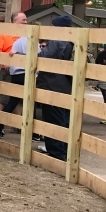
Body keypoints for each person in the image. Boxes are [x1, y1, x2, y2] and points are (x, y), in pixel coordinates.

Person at [37, 16, 75, 160]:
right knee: (64, 120)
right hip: (67, 86)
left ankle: (57, 154)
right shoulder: (74, 41)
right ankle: (65, 152)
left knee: (53, 120)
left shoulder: (58, 39)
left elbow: (44, 57)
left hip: (52, 85)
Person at [0, 11, 28, 138]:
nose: (26, 22)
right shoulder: (4, 34)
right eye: (23, 20)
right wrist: (4, 62)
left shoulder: (26, 35)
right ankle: (0, 126)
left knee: (19, 99)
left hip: (22, 71)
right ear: (15, 21)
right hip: (8, 71)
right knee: (4, 100)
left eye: (26, 20)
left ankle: (18, 126)